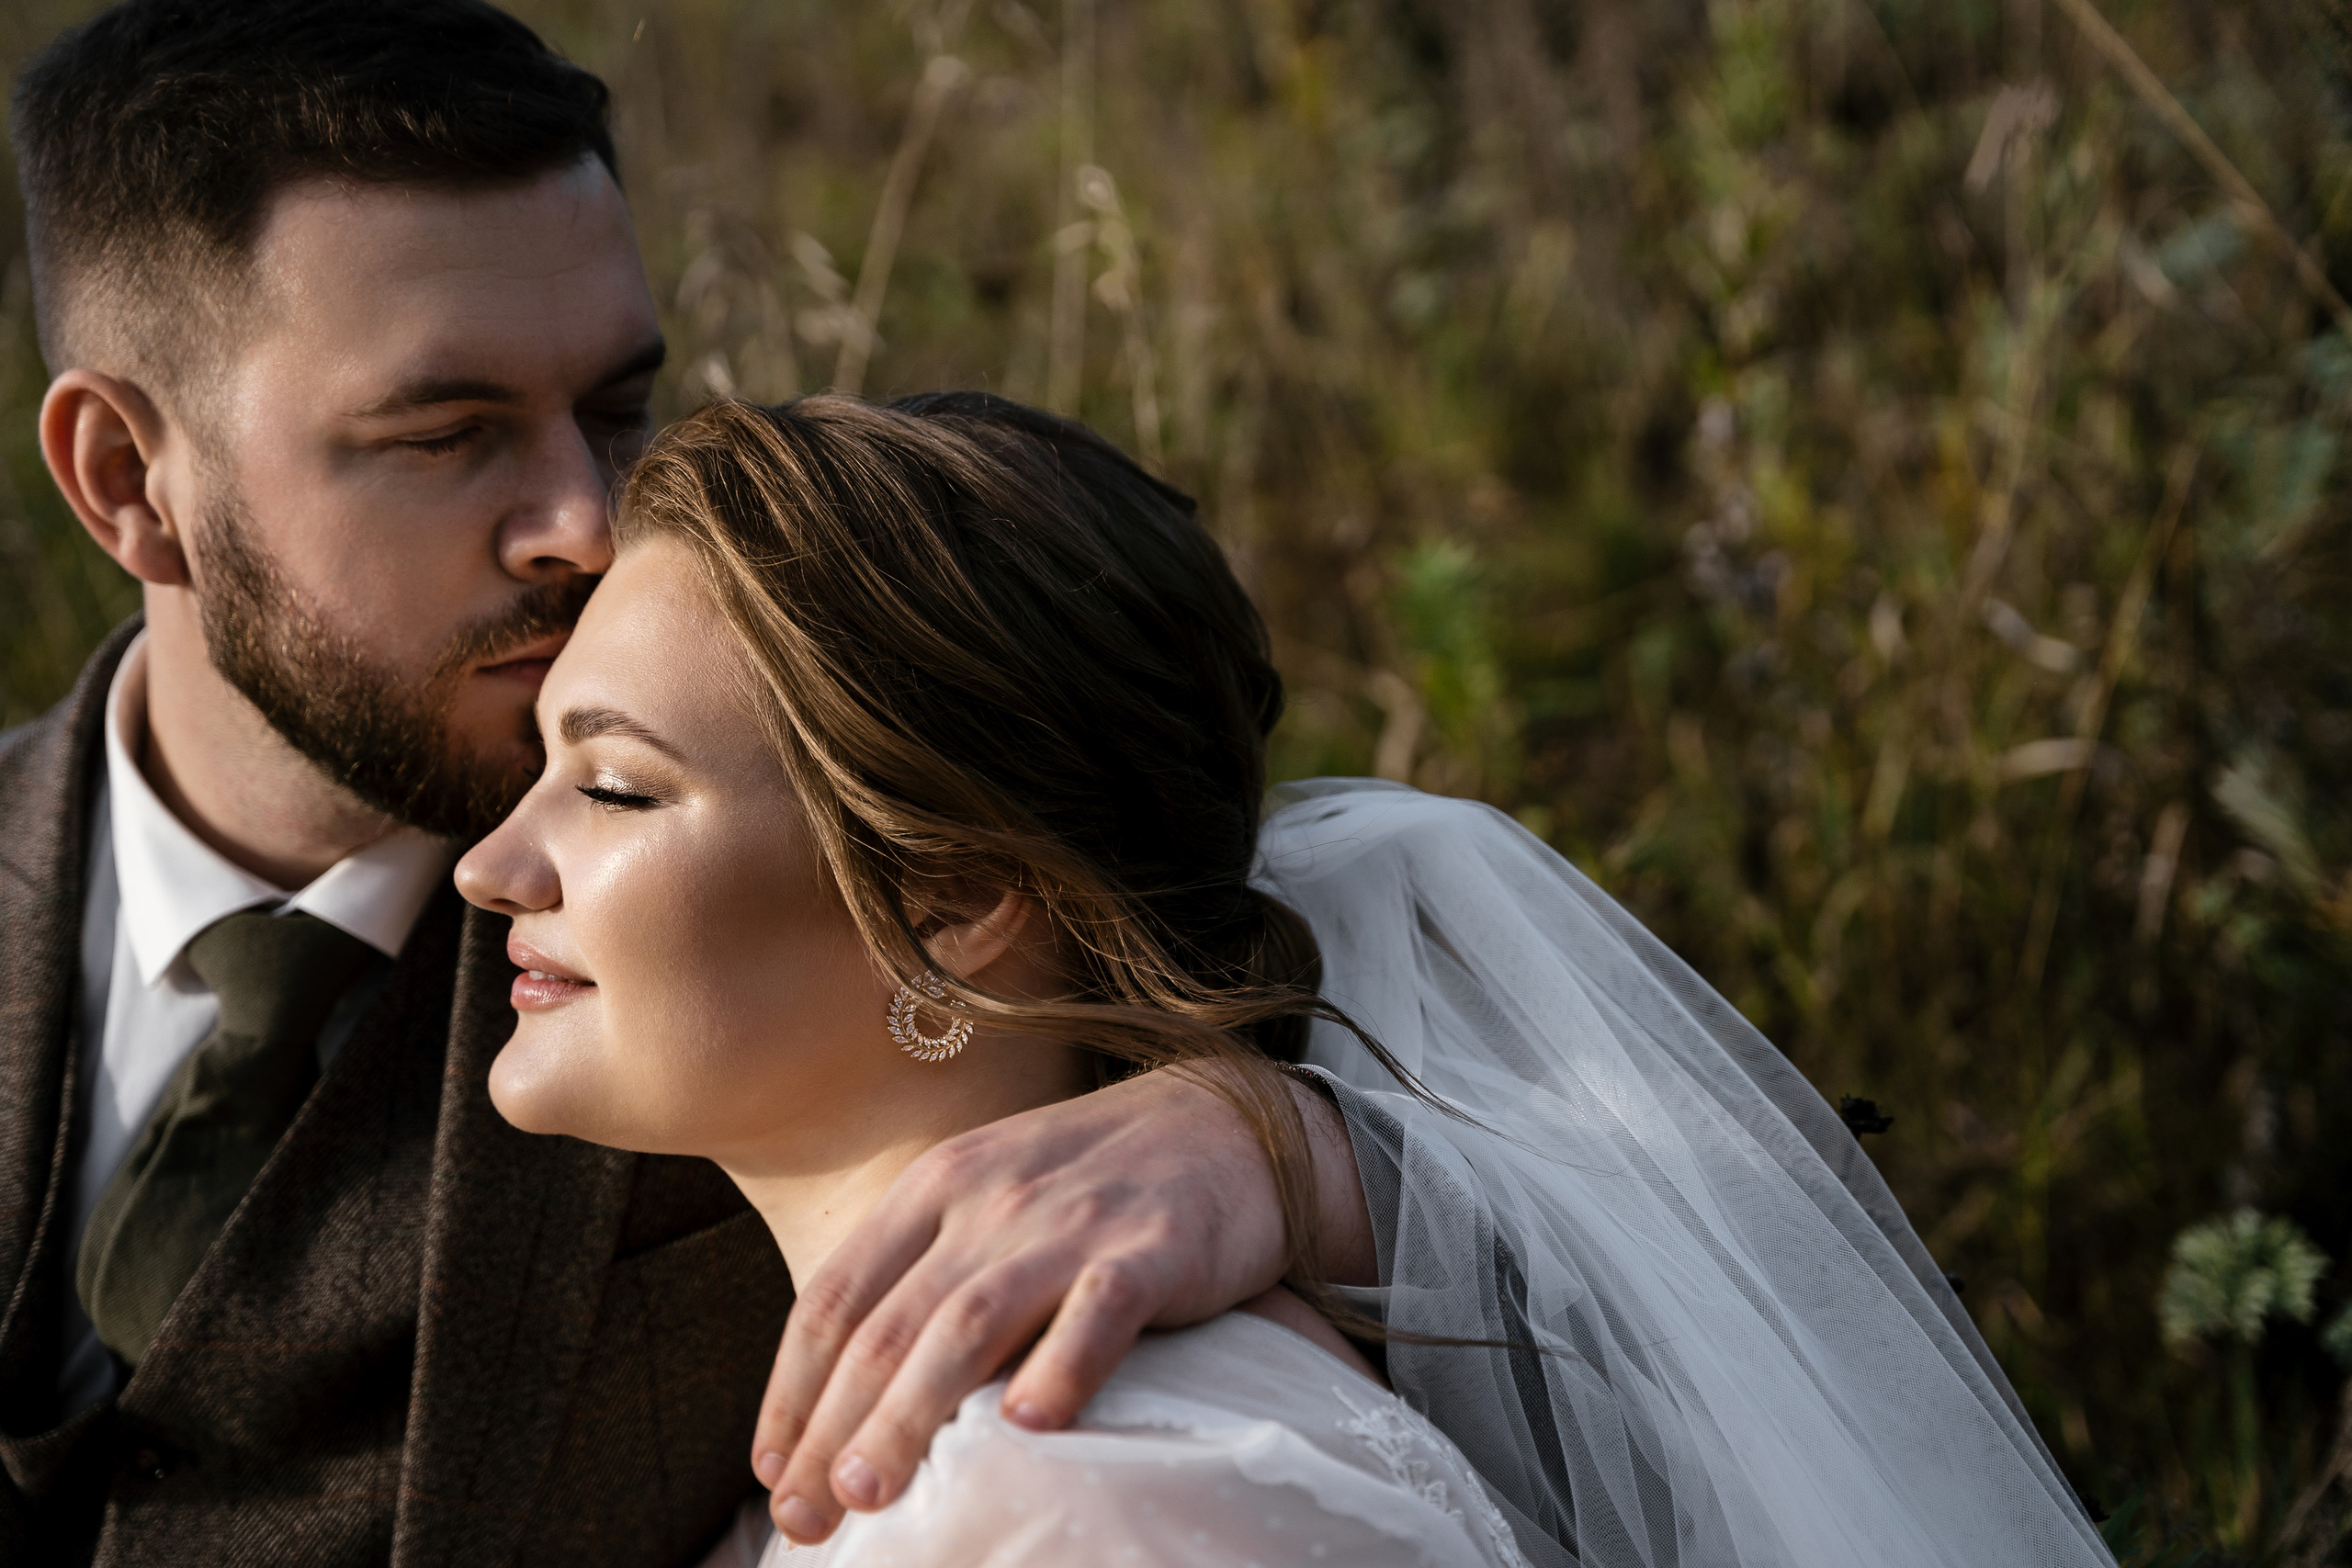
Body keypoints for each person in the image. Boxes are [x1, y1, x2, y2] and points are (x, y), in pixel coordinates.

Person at [0, 4, 1380, 1562]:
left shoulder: (788, 865)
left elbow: (1598, 1136)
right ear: (126, 481)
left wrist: (1284, 1142)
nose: (585, 521)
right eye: (448, 434)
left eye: (613, 406)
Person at [457, 390, 2116, 1567]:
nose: (491, 865)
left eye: (612, 788)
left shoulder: (1092, 1506)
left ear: (958, 900)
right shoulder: (1000, 1450)